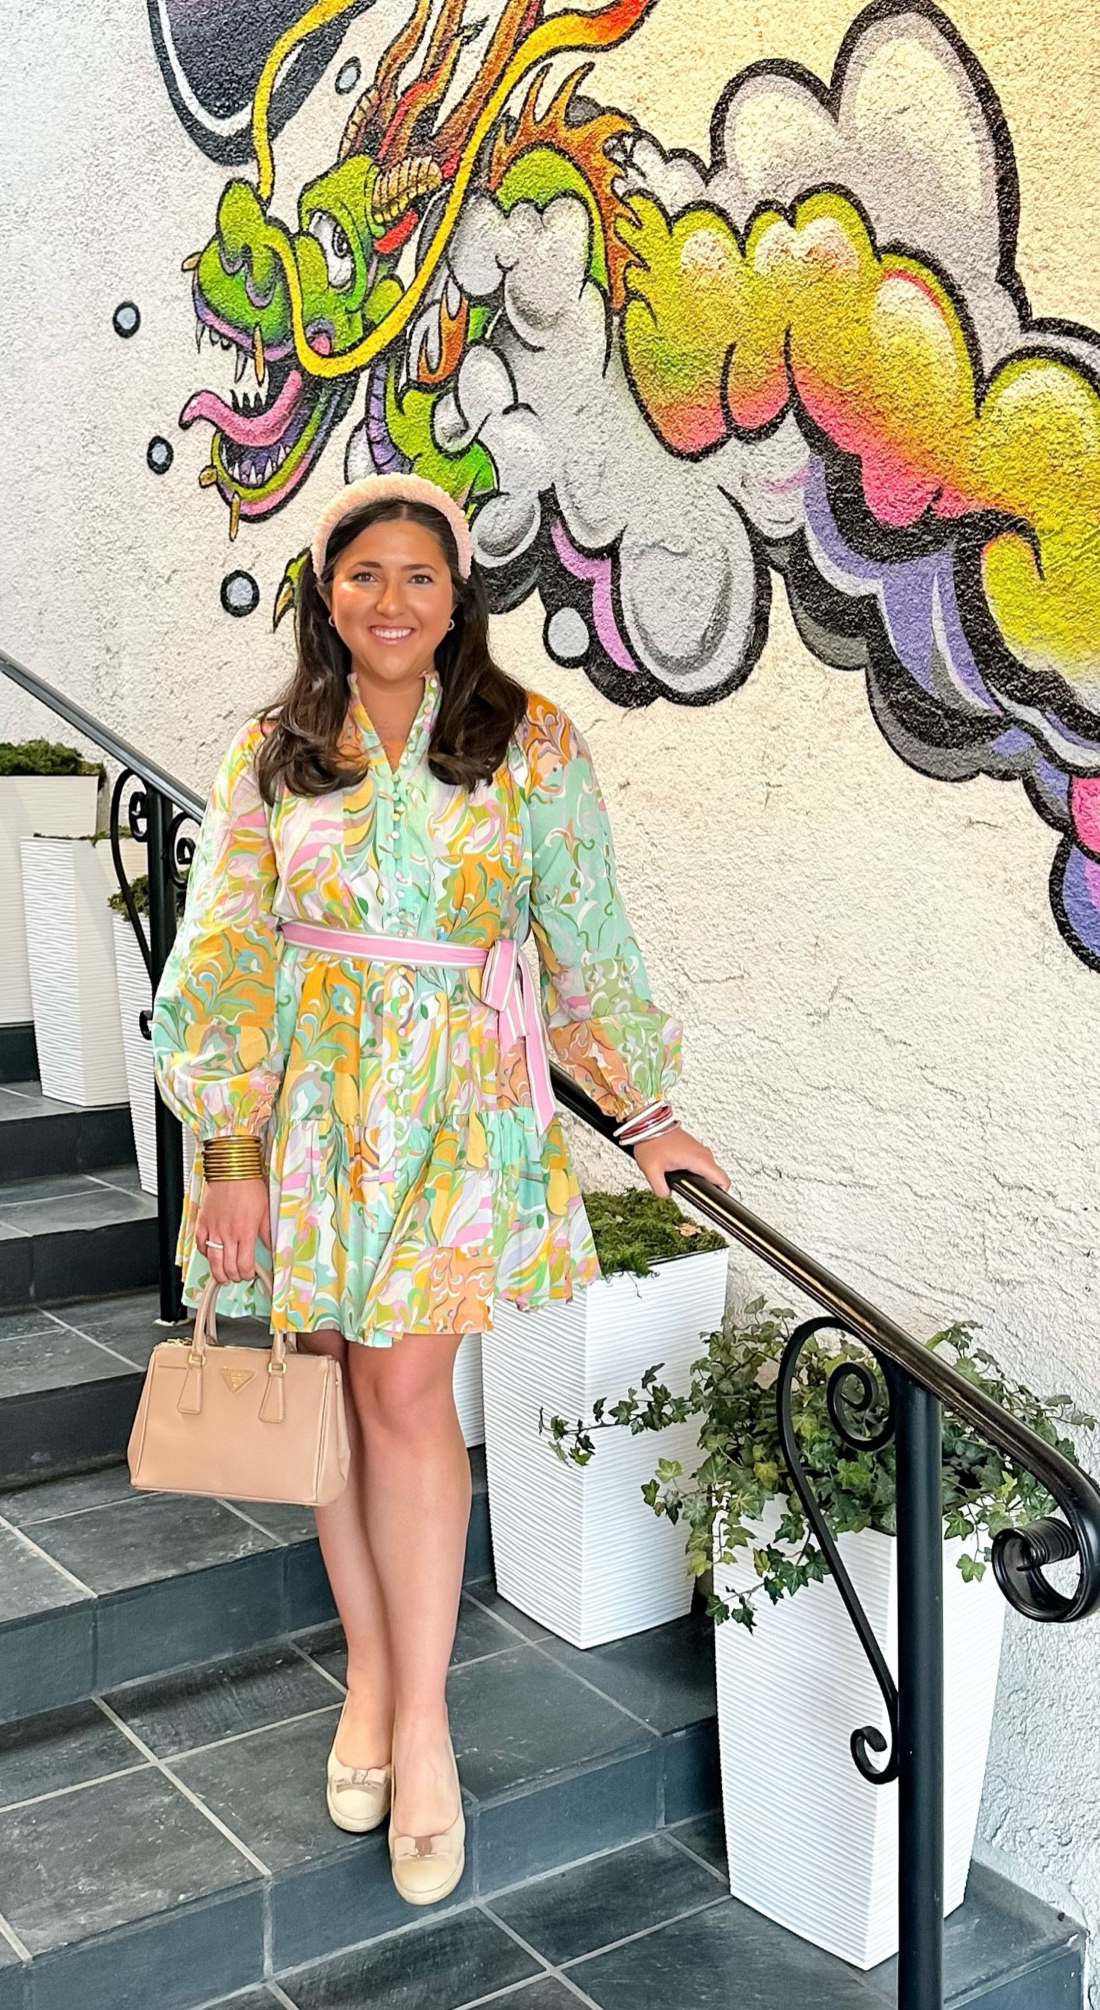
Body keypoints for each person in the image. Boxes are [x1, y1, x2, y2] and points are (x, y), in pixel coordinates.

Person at [152, 472, 728, 1906]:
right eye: (364, 576)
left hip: (459, 1116)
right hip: (303, 1117)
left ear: (458, 594)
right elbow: (222, 950)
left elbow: (586, 928)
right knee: (340, 1391)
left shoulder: (529, 744)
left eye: (419, 575)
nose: (391, 600)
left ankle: (424, 1728)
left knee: (406, 1401)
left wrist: (649, 1114)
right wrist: (226, 1153)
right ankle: (368, 1671)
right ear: (325, 595)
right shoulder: (277, 750)